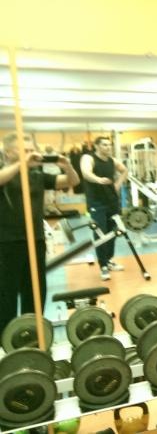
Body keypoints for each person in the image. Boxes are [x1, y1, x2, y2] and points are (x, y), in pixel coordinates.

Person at [0, 132, 80, 334]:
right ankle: (5, 338)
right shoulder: (4, 171)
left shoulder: (36, 175)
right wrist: (23, 163)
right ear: (8, 153)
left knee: (35, 291)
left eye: (31, 150)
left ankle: (33, 334)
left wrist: (67, 165)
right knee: (6, 294)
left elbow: (72, 181)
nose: (30, 154)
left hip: (36, 240)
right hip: (7, 242)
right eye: (24, 150)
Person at [80, 136, 128, 281]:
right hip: (96, 202)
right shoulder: (89, 158)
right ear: (96, 146)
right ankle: (103, 266)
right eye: (104, 145)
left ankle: (109, 260)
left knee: (114, 232)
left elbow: (125, 170)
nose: (108, 147)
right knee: (100, 233)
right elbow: (86, 173)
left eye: (109, 145)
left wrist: (118, 184)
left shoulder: (113, 161)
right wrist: (98, 180)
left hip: (112, 201)